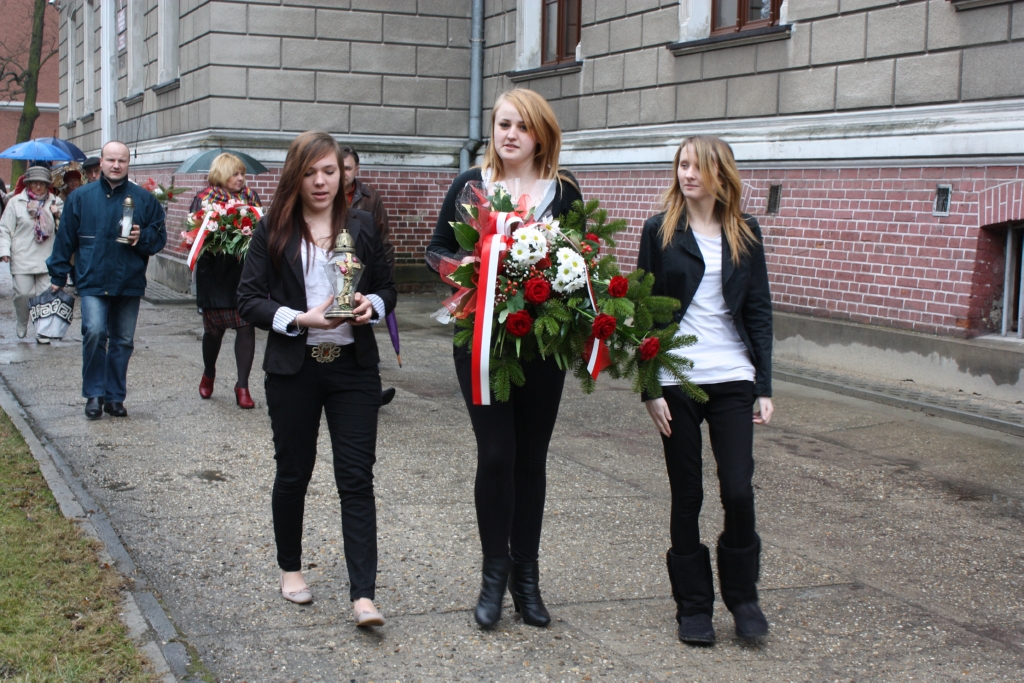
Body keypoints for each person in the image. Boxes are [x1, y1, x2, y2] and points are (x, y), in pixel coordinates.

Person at [425, 89, 582, 628]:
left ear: (541, 135)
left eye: (522, 126)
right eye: (502, 124)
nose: (510, 134)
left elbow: (581, 257)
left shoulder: (563, 191)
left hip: (542, 344)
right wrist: (472, 270)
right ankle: (493, 577)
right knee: (496, 455)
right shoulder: (471, 185)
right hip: (481, 339)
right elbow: (435, 249)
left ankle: (527, 582)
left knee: (531, 460)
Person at [236, 131, 396, 627]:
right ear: (296, 176)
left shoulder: (362, 226)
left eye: (330, 171)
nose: (321, 181)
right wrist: (300, 319)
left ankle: (363, 596)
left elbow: (388, 287)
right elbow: (249, 300)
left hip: (353, 370)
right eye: (310, 173)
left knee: (356, 478)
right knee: (293, 473)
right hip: (295, 369)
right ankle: (290, 569)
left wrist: (372, 306)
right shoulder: (273, 229)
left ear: (343, 174)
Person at [637, 135, 774, 645]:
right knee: (687, 493)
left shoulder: (745, 231)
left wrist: (764, 384)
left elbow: (758, 309)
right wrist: (649, 386)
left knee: (737, 489)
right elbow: (643, 310)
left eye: (698, 166)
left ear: (721, 174)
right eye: (682, 164)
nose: (688, 174)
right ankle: (693, 607)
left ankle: (744, 599)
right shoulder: (660, 231)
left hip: (733, 376)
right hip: (677, 380)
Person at [46, 141, 167, 419]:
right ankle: (94, 394)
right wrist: (58, 273)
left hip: (129, 279)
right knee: (95, 332)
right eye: (111, 160)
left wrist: (142, 237)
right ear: (101, 162)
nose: (116, 165)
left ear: (128, 163)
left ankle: (114, 397)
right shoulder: (81, 197)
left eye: (121, 160)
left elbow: (159, 236)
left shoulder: (144, 199)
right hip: (92, 277)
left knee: (123, 340)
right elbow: (65, 238)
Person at [190, 153, 261, 409]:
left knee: (246, 327)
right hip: (214, 273)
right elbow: (195, 234)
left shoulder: (250, 197)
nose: (240, 178)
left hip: (243, 272)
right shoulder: (204, 198)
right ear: (221, 175)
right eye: (235, 174)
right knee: (214, 331)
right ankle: (209, 372)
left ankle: (242, 386)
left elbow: (261, 230)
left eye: (242, 173)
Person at [342, 146, 397, 407]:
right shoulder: (325, 195)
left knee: (362, 331)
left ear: (357, 169)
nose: (342, 173)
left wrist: (385, 282)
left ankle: (369, 390)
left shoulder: (370, 197)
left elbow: (382, 240)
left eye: (347, 168)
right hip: (337, 271)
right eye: (337, 168)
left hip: (364, 275)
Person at [0, 165, 64, 342]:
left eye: (42, 184)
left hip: (47, 256)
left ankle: (43, 330)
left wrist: (58, 214)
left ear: (47, 185)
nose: (38, 187)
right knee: (23, 294)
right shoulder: (15, 202)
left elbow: (66, 228)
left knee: (44, 296)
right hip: (22, 256)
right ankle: (22, 320)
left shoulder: (55, 202)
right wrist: (4, 250)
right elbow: (4, 229)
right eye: (34, 183)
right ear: (28, 184)